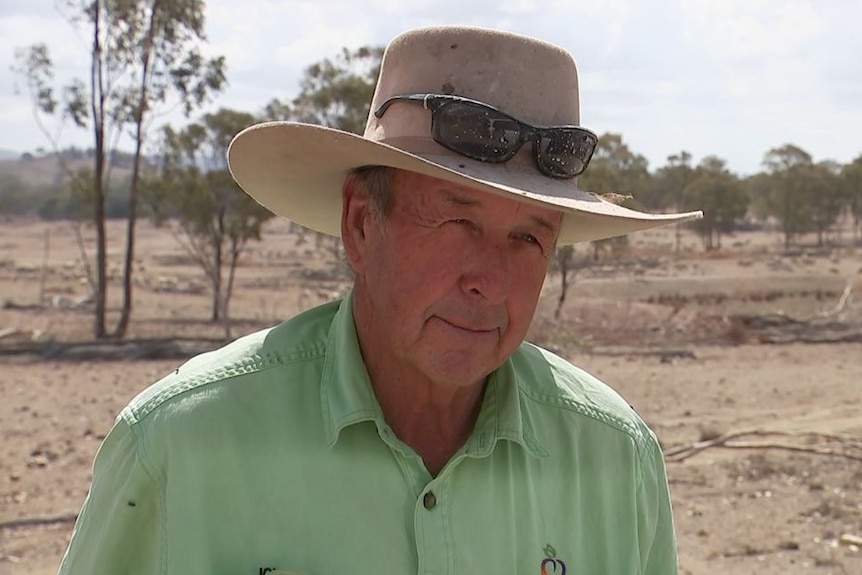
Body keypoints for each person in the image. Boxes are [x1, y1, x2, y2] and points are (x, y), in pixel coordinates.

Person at [58, 25, 701, 575]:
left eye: (528, 238)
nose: (490, 281)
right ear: (362, 226)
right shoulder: (182, 445)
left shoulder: (614, 457)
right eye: (455, 223)